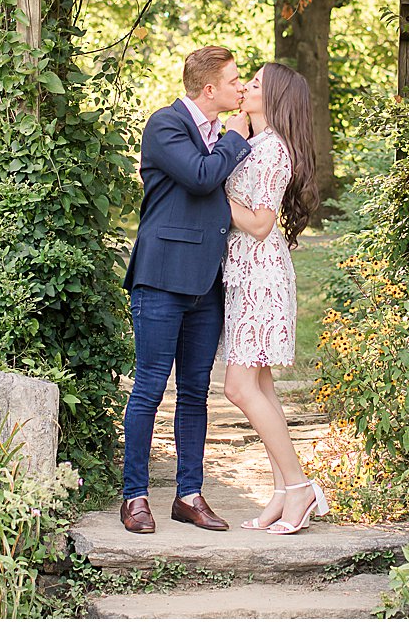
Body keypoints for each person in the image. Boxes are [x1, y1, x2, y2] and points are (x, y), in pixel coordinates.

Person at [119, 46, 252, 535]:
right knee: (150, 387)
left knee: (196, 393)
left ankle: (189, 496)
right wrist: (237, 138)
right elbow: (201, 178)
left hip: (206, 282)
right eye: (235, 80)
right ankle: (134, 497)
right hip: (160, 277)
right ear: (209, 88)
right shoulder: (165, 124)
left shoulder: (225, 133)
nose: (242, 87)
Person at [220, 62, 327, 535]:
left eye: (256, 83)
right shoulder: (258, 145)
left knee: (239, 388)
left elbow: (262, 223)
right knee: (259, 387)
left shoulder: (272, 153)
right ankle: (285, 492)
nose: (245, 86)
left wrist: (211, 195)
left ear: (275, 98)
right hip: (246, 274)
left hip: (260, 277)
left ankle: (300, 487)